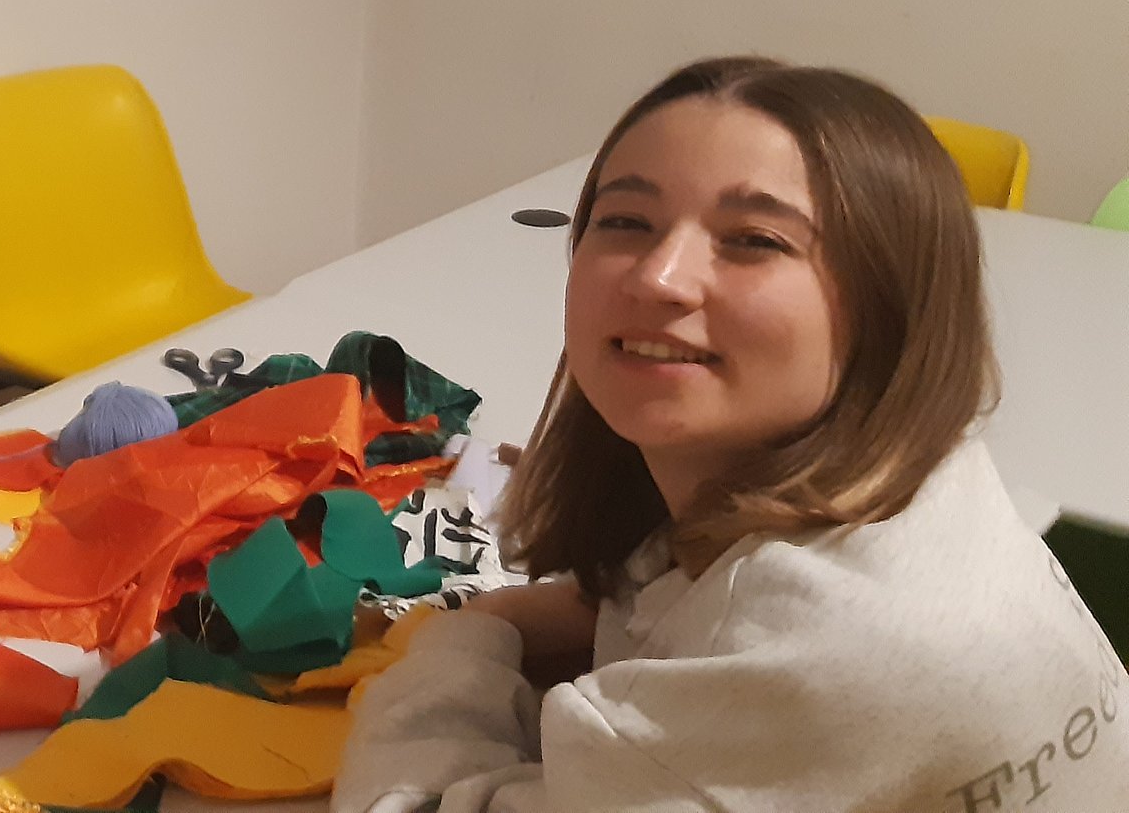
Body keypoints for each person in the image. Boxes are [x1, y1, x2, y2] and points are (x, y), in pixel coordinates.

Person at [332, 57, 1129, 811]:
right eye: (626, 221)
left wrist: (463, 640)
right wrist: (549, 613)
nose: (659, 276)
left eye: (754, 240)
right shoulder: (931, 473)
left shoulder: (802, 653)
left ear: (887, 309)